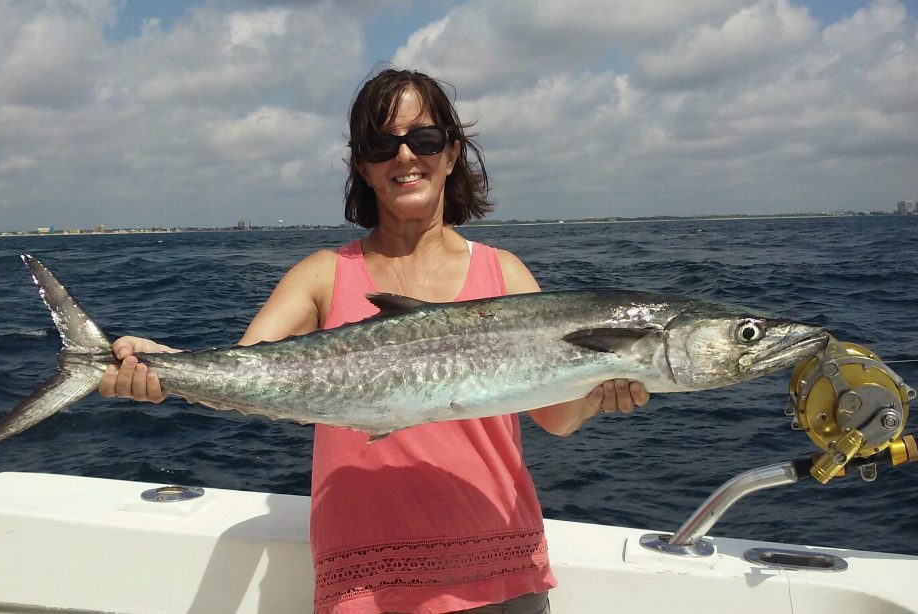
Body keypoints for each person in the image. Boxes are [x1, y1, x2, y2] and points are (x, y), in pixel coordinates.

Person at [99, 68, 649, 614]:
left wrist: (598, 393)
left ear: (452, 153)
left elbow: (556, 418)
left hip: (499, 574)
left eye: (424, 139)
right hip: (368, 587)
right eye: (383, 145)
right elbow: (246, 374)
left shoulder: (504, 274)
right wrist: (163, 368)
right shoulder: (322, 275)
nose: (405, 157)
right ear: (362, 165)